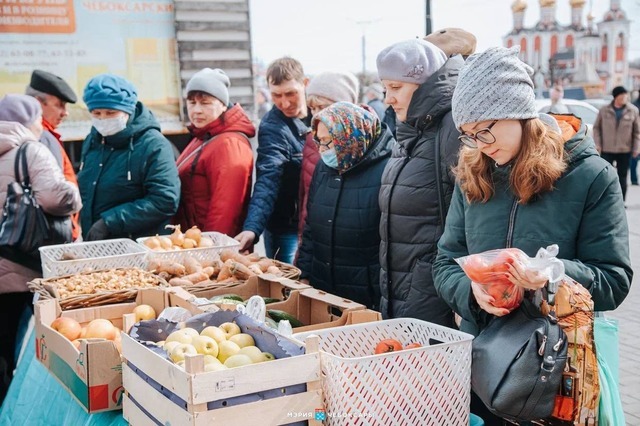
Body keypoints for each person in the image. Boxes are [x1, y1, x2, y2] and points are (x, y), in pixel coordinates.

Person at [432, 46, 632, 425]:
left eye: (486, 128)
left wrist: (553, 274)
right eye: (470, 134)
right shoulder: (474, 173)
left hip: (558, 370)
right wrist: (472, 293)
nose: (482, 144)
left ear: (521, 113)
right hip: (485, 362)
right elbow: (445, 261)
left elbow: (614, 279)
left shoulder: (590, 176)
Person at [375, 37, 465, 327]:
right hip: (402, 289)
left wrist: (461, 296)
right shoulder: (410, 130)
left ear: (424, 84)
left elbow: (471, 218)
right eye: (385, 88)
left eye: (396, 88)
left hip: (436, 296)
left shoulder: (451, 128)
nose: (388, 98)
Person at [0, 94, 82, 404]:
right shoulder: (30, 151)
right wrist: (74, 193)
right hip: (20, 265)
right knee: (19, 347)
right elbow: (56, 198)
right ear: (29, 120)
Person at [296, 102, 394, 309]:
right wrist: (304, 273)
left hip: (366, 297)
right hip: (323, 289)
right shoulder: (324, 168)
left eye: (328, 142)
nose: (322, 150)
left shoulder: (387, 170)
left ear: (349, 137)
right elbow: (311, 227)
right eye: (318, 142)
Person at [78, 73, 180, 241]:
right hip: (97, 244)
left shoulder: (153, 145)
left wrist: (109, 222)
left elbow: (165, 200)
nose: (103, 119)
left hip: (140, 246)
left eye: (111, 112)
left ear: (128, 111)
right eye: (96, 113)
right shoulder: (93, 141)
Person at [235, 57, 311, 263]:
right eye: (276, 95)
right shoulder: (272, 126)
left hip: (318, 225)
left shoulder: (322, 113)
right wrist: (252, 228)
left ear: (305, 84)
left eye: (290, 93)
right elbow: (267, 179)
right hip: (285, 226)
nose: (284, 102)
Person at [173, 68, 255, 236]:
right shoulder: (203, 135)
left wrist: (211, 250)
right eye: (191, 102)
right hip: (194, 242)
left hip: (210, 247)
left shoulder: (230, 144)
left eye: (205, 103)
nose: (196, 110)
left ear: (223, 105)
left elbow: (226, 209)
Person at [298, 71, 359, 244]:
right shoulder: (312, 139)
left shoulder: (363, 141)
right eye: (313, 108)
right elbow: (306, 195)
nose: (317, 114)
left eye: (323, 107)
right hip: (316, 233)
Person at [25, 69, 82, 240]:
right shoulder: (42, 138)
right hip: (51, 234)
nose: (65, 113)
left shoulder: (20, 133)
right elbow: (54, 194)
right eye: (59, 105)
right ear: (37, 103)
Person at [593, 86, 640, 202]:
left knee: (622, 177)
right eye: (622, 95)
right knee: (605, 176)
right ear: (616, 97)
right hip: (606, 149)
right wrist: (598, 144)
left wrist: (636, 148)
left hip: (625, 149)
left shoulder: (633, 110)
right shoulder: (604, 110)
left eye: (626, 95)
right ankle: (605, 201)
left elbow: (637, 132)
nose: (625, 97)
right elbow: (596, 128)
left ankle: (621, 201)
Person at [630, 92, 640, 185]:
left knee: (634, 159)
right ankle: (634, 179)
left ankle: (634, 179)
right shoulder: (635, 106)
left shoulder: (634, 105)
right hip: (637, 136)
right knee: (634, 159)